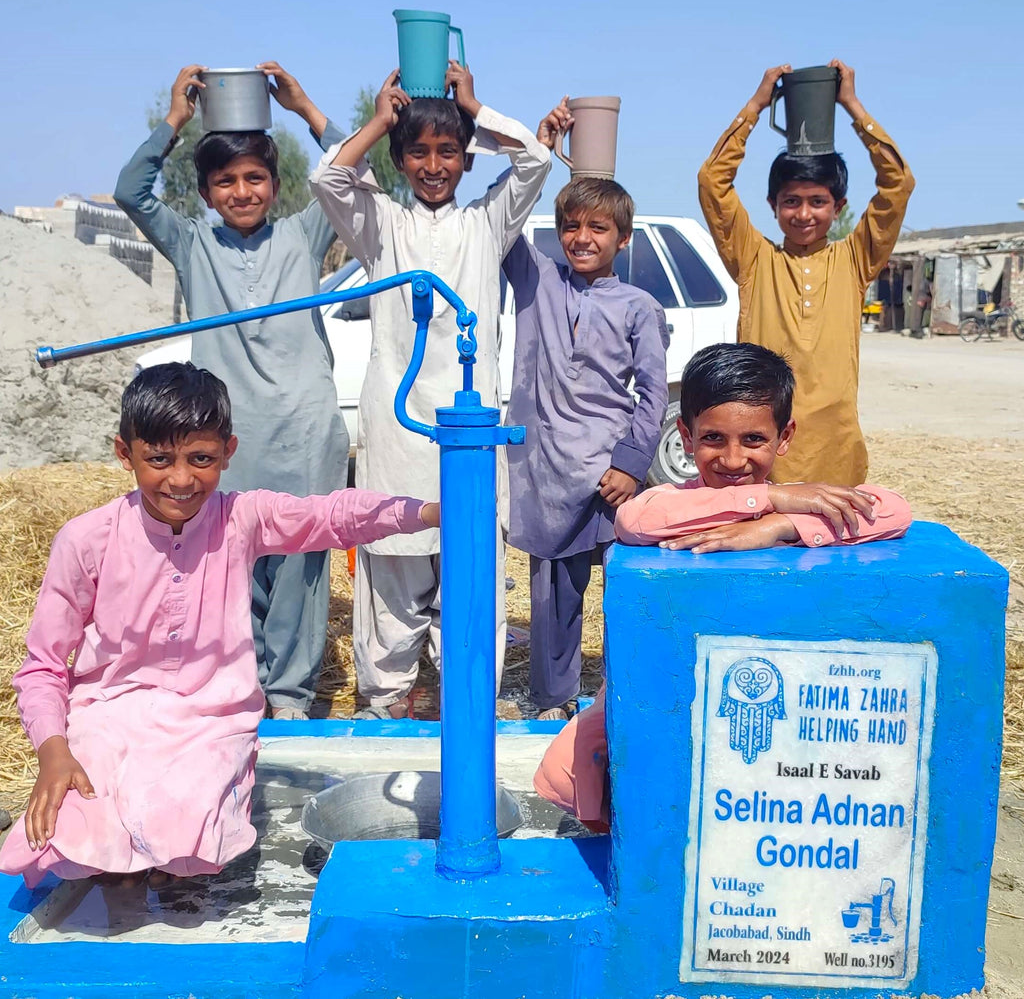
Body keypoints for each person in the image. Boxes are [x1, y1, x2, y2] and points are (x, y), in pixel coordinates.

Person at [0, 363, 438, 889]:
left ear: (228, 452)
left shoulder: (241, 519)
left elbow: (333, 515)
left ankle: (178, 842)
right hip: (109, 716)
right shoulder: (85, 540)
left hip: (210, 719)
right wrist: (54, 752)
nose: (181, 479)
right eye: (158, 459)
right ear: (125, 453)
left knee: (181, 837)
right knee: (73, 832)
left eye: (201, 459)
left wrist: (429, 511)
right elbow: (43, 667)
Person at [533, 342, 912, 831]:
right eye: (713, 438)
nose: (733, 460)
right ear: (686, 438)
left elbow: (894, 508)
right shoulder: (679, 502)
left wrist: (779, 527)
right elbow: (635, 517)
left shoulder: (801, 506)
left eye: (754, 439)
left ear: (785, 436)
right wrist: (768, 496)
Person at [309, 65, 552, 718]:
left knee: (470, 573)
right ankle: (386, 699)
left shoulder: (486, 225)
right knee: (392, 571)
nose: (434, 164)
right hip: (399, 431)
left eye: (449, 151)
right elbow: (327, 178)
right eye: (418, 150)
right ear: (399, 158)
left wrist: (474, 107)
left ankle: (468, 701)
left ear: (466, 160)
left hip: (469, 435)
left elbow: (533, 160)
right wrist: (380, 122)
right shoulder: (381, 226)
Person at [114, 63, 348, 720]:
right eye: (225, 181)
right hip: (227, 440)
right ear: (207, 191)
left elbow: (353, 175)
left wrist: (305, 107)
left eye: (255, 178)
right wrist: (174, 121)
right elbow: (131, 192)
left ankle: (292, 697)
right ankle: (241, 689)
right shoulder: (192, 243)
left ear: (276, 183)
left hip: (304, 431)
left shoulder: (305, 233)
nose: (242, 191)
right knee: (229, 563)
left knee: (300, 573)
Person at [503, 157, 669, 720]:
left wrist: (630, 462)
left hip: (609, 471)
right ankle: (553, 700)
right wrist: (533, 148)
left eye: (598, 228)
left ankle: (626, 697)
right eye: (571, 226)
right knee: (553, 592)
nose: (582, 238)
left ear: (622, 238)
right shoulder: (536, 280)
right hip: (550, 468)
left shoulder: (640, 307)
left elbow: (653, 393)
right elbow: (504, 214)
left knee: (622, 588)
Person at [697, 60, 915, 485]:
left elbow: (898, 184)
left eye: (817, 201)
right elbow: (712, 182)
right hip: (765, 452)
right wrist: (758, 105)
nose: (803, 214)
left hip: (835, 448)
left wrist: (851, 105)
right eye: (791, 201)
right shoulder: (754, 259)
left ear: (838, 206)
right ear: (773, 206)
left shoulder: (855, 260)